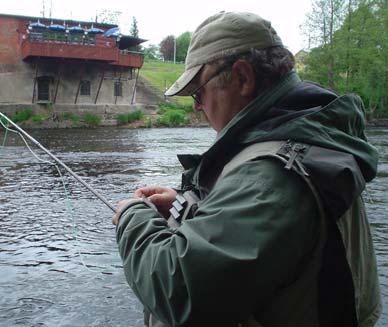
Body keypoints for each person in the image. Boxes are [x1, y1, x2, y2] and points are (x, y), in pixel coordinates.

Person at [112, 11, 381, 327]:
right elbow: (267, 238)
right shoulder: (303, 136)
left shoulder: (273, 177)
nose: (197, 106)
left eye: (199, 93)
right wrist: (186, 205)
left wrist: (133, 217)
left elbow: (181, 292)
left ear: (242, 78)